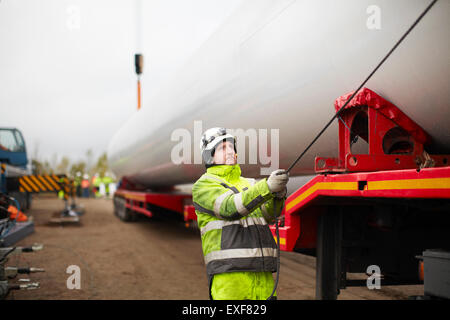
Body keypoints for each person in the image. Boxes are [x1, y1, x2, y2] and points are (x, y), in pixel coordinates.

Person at [192, 127, 289, 300]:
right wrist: (266, 187)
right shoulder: (203, 186)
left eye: (231, 146)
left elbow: (268, 214)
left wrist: (277, 195)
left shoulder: (249, 183)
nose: (230, 151)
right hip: (230, 277)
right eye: (222, 148)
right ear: (209, 155)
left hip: (262, 273)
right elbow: (229, 208)